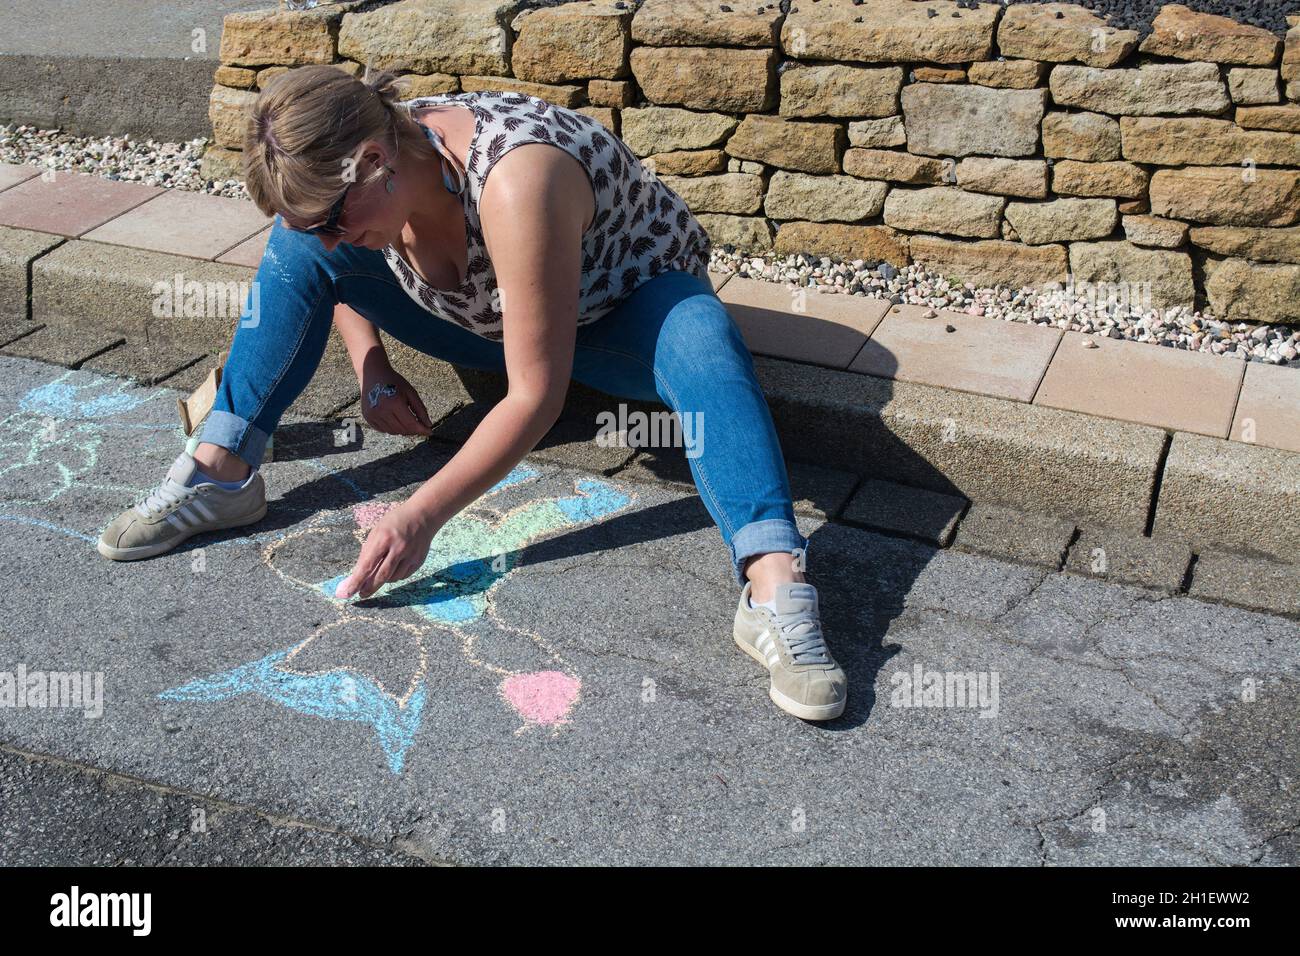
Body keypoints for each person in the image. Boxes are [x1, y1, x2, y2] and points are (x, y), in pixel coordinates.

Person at [96, 65, 847, 720]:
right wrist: (370, 364)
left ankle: (773, 585)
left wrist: (420, 514)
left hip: (617, 325)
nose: (330, 236)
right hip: (487, 321)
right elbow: (333, 261)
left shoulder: (517, 178)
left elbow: (535, 396)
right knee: (293, 251)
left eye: (332, 217)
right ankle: (223, 470)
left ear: (374, 160)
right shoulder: (380, 176)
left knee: (702, 337)